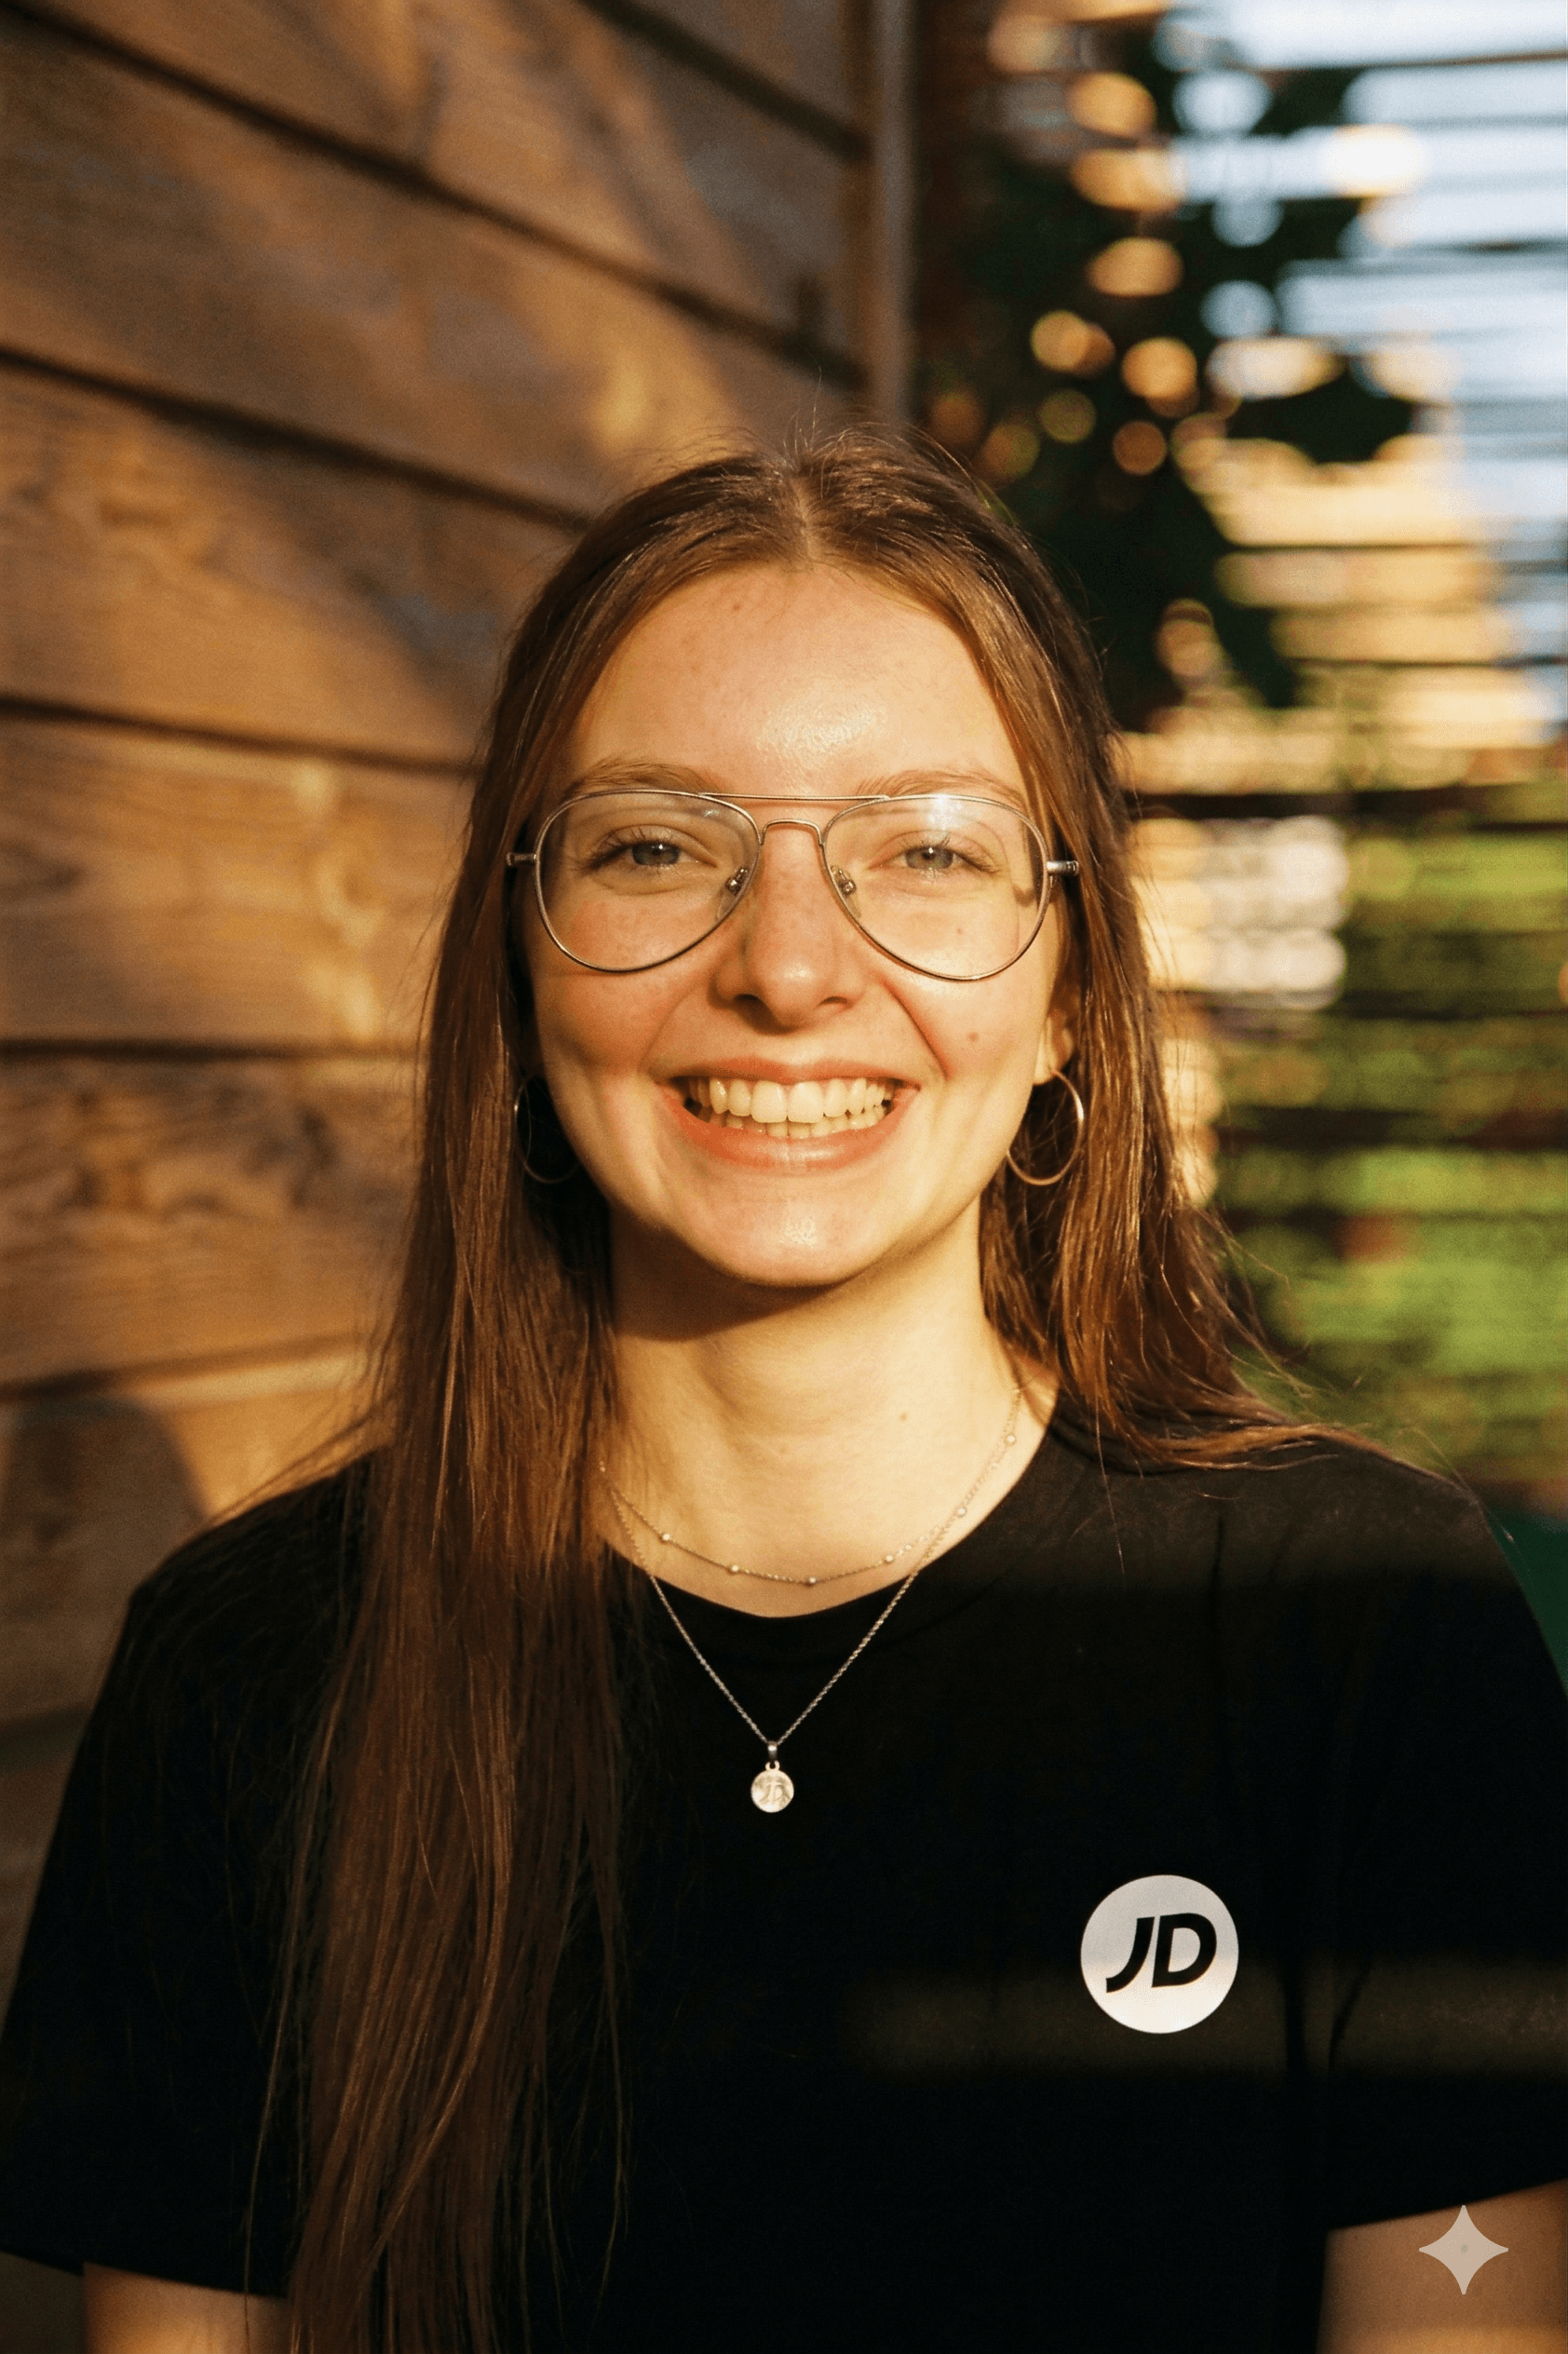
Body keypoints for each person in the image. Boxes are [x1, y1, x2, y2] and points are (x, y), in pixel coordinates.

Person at [0, 433, 1562, 2354]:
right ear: (518, 950)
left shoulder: (1358, 1633)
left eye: (924, 849)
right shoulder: (245, 1679)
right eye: (658, 844)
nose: (791, 968)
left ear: (1067, 982)